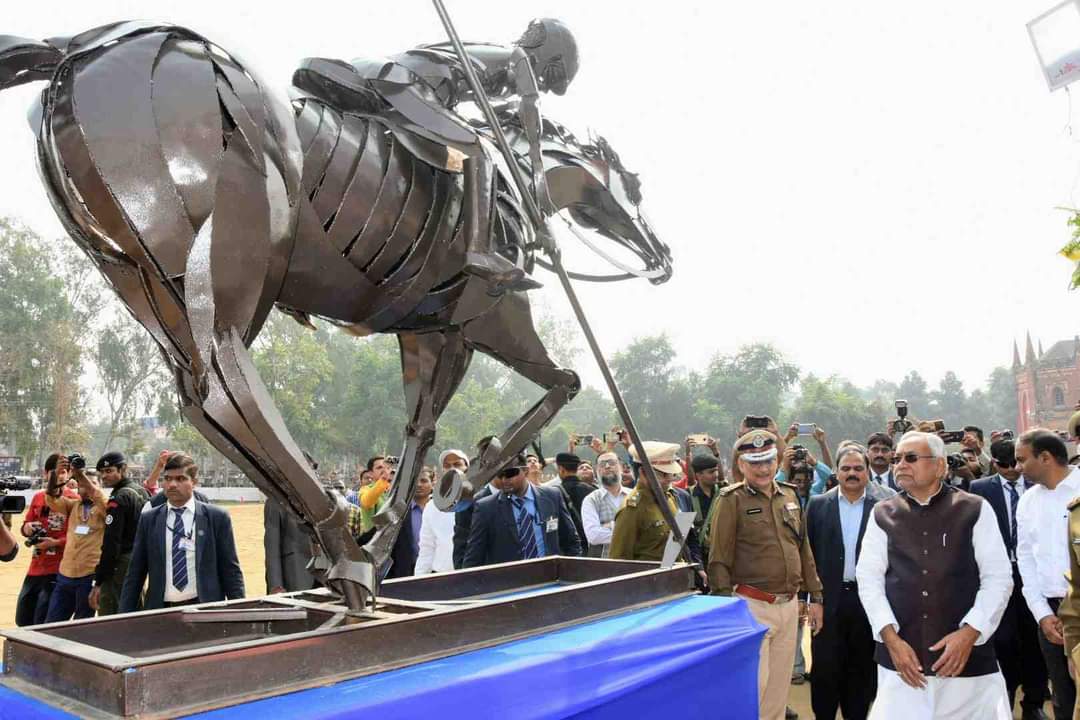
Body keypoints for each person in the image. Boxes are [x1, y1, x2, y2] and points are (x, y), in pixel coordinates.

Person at [856, 431, 1013, 719]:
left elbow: (998, 578)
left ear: (940, 466)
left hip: (967, 662)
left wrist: (970, 634)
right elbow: (869, 581)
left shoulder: (974, 509)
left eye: (911, 458)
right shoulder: (883, 513)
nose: (900, 464)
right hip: (903, 662)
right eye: (897, 458)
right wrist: (892, 641)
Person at [707, 429, 823, 720]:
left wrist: (815, 595)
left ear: (777, 460)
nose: (762, 468)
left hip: (788, 606)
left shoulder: (790, 495)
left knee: (778, 692)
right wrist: (726, 610)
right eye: (754, 462)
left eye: (768, 461)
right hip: (751, 606)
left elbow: (803, 549)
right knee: (752, 689)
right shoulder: (731, 499)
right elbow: (718, 558)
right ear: (741, 465)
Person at [806, 444, 895, 720]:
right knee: (825, 669)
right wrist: (812, 600)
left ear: (867, 471)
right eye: (846, 469)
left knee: (862, 669)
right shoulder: (818, 505)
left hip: (869, 600)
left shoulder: (886, 504)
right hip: (828, 601)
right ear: (836, 472)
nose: (852, 473)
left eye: (858, 468)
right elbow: (807, 554)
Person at [970, 439, 1049, 719]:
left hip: (1034, 575)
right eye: (1005, 465)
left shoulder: (1038, 486)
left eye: (1016, 463)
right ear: (994, 463)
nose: (1013, 470)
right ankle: (1005, 698)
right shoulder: (979, 489)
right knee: (1002, 641)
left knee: (1036, 640)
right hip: (996, 576)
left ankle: (1034, 703)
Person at [120, 453, 245, 611]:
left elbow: (231, 571)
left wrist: (239, 611)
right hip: (161, 612)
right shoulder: (149, 519)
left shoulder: (216, 518)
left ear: (194, 482)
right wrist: (123, 615)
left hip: (205, 610)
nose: (172, 484)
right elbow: (135, 573)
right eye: (167, 478)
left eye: (180, 479)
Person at [1016, 429, 1080, 720]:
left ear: (1045, 458)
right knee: (1063, 698)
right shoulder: (1028, 501)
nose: (1017, 468)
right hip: (1050, 615)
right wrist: (1042, 613)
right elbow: (1026, 560)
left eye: (1022, 460)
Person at [463, 455, 581, 568]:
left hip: (550, 578)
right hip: (509, 584)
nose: (504, 480)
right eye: (500, 475)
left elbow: (571, 541)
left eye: (510, 474)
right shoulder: (486, 508)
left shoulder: (552, 496)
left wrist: (571, 572)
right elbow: (474, 557)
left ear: (525, 471)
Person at [44, 457, 109, 623]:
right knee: (52, 624)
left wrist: (80, 475)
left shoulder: (105, 507)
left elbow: (99, 497)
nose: (85, 488)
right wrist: (55, 474)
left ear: (99, 486)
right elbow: (52, 498)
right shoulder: (72, 506)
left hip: (88, 576)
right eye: (81, 484)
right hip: (65, 575)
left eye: (92, 483)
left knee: (81, 626)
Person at [15, 453, 75, 625]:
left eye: (64, 472)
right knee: (23, 619)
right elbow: (26, 524)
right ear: (46, 473)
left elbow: (78, 536)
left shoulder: (74, 500)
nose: (60, 476)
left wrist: (56, 542)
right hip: (35, 568)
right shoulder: (38, 497)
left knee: (43, 621)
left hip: (58, 570)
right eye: (55, 472)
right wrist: (27, 528)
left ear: (69, 474)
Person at [89, 451, 150, 615]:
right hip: (139, 560)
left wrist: (99, 579)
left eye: (109, 471)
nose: (104, 476)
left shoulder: (119, 498)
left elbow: (112, 542)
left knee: (111, 616)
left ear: (122, 469)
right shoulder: (142, 492)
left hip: (120, 564)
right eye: (102, 472)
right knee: (135, 609)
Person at [580, 451, 631, 557]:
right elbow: (594, 536)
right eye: (603, 464)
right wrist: (631, 532)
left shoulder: (634, 495)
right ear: (597, 470)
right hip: (606, 564)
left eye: (612, 463)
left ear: (621, 467)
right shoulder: (591, 500)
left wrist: (609, 526)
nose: (607, 466)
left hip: (636, 560)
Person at [263, 495, 318, 594]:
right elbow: (272, 548)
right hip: (294, 577)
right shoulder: (275, 501)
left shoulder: (318, 495)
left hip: (324, 576)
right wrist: (276, 586)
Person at [386, 467, 433, 578]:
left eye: (424, 481)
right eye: (415, 481)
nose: (419, 484)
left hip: (435, 570)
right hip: (406, 571)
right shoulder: (398, 511)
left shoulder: (440, 510)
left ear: (433, 483)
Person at [555, 452, 591, 554]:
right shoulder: (593, 490)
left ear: (561, 469)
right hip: (590, 546)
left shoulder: (555, 493)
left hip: (569, 549)